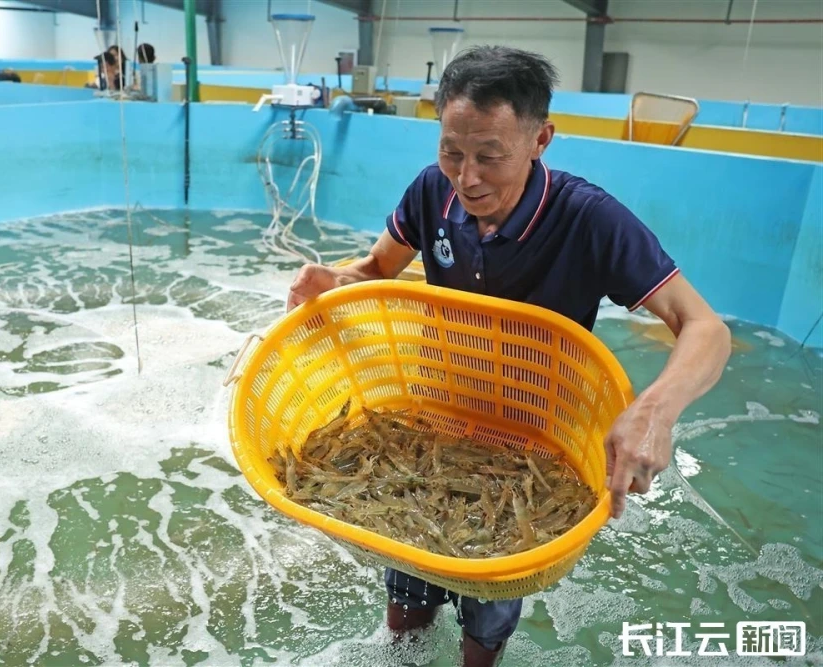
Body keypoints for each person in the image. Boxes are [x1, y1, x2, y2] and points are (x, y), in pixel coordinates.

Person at [286, 45, 731, 666]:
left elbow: (705, 326)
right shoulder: (431, 192)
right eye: (452, 152)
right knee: (406, 593)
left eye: (489, 157)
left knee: (490, 606)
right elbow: (374, 268)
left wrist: (656, 409)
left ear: (540, 139)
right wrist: (332, 280)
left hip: (532, 438)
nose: (466, 178)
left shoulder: (589, 219)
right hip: (433, 421)